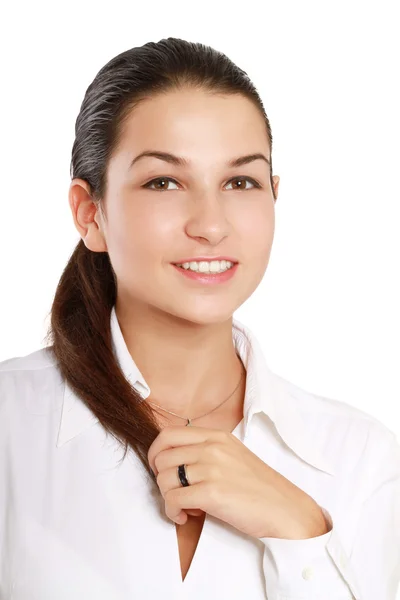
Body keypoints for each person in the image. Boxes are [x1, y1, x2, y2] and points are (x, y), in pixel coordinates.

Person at [0, 37, 399, 600]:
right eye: (164, 182)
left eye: (240, 182)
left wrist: (300, 531)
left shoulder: (360, 458)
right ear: (90, 214)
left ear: (274, 197)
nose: (211, 224)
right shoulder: (10, 427)